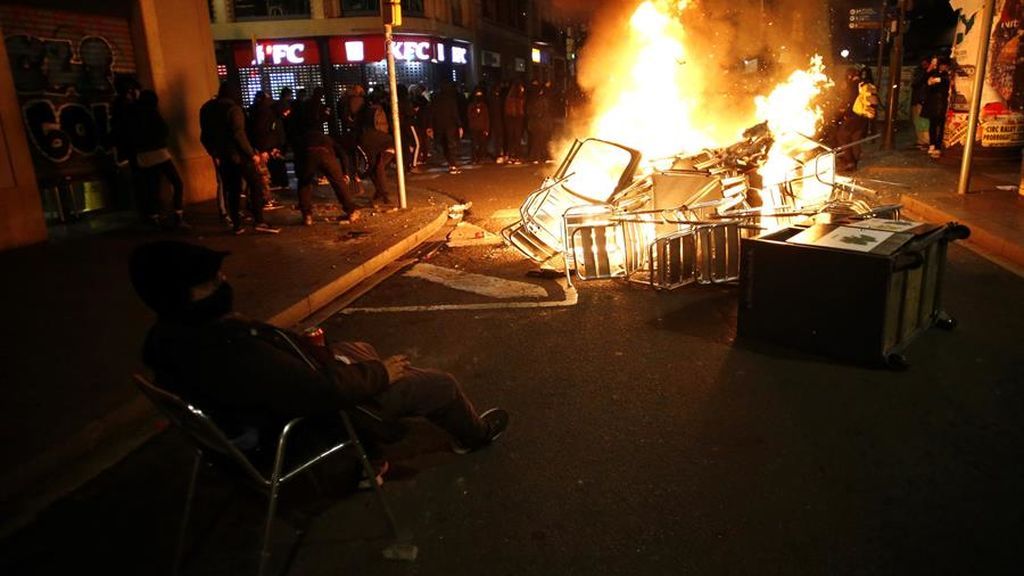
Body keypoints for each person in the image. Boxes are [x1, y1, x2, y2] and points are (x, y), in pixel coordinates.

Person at [129, 240, 509, 474]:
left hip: (278, 411)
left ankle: (372, 446)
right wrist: (381, 375)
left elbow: (294, 379)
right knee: (439, 385)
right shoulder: (228, 348)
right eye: (211, 280)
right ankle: (472, 437)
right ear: (183, 296)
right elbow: (319, 391)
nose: (223, 282)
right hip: (315, 424)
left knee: (357, 347)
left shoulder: (168, 338)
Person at [200, 81, 280, 235]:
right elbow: (239, 134)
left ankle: (236, 224)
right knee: (255, 184)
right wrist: (252, 154)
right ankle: (259, 220)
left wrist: (213, 153)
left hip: (222, 155)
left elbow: (204, 135)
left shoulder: (207, 109)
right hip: (239, 155)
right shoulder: (234, 109)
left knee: (232, 190)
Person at [295, 87, 361, 226]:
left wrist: (301, 173)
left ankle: (307, 215)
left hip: (308, 154)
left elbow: (299, 157)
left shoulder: (303, 138)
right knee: (338, 183)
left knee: (304, 184)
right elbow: (342, 154)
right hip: (326, 155)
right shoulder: (327, 139)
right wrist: (345, 173)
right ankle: (351, 210)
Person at [133, 89, 189, 229]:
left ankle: (154, 217)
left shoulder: (135, 114)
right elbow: (163, 131)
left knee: (152, 186)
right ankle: (178, 214)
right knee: (177, 183)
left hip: (143, 156)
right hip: (159, 153)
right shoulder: (152, 113)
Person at [432, 82, 464, 174]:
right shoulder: (451, 100)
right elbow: (455, 114)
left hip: (439, 125)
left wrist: (430, 125)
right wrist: (460, 125)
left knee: (444, 145)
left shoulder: (436, 99)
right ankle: (453, 165)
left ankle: (450, 163)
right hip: (450, 125)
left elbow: (432, 113)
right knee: (451, 145)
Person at [923, 57, 951, 159]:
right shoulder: (933, 73)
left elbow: (946, 80)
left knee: (940, 126)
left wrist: (936, 80)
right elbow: (924, 80)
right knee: (933, 125)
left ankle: (937, 146)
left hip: (942, 103)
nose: (943, 67)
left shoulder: (947, 75)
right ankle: (933, 145)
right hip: (934, 103)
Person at [910, 58, 932, 150]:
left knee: (923, 122)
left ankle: (926, 141)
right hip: (918, 100)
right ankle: (921, 140)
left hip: (922, 100)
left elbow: (917, 83)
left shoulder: (928, 74)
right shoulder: (922, 73)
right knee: (918, 121)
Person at [503, 80, 527, 164]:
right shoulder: (518, 99)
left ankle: (511, 156)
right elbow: (520, 111)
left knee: (512, 139)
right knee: (516, 139)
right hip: (516, 121)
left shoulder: (509, 98)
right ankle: (516, 156)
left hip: (511, 121)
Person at [467, 87, 490, 164]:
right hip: (474, 127)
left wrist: (486, 129)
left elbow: (487, 118)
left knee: (481, 144)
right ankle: (474, 158)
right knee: (474, 144)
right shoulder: (471, 106)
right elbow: (469, 116)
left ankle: (480, 157)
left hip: (482, 127)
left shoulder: (484, 106)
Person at [487, 82, 507, 163]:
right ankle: (497, 154)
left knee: (497, 138)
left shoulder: (492, 98)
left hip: (495, 121)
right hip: (496, 121)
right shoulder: (495, 99)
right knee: (497, 138)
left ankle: (497, 153)